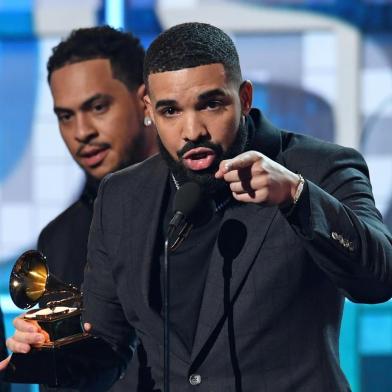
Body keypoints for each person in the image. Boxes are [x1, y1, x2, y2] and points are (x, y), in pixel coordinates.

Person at [5, 22, 392, 391]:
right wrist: (45, 354)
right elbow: (108, 350)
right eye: (170, 111)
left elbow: (378, 279)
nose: (192, 131)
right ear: (148, 107)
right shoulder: (121, 196)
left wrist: (297, 197)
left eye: (210, 105)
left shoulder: (318, 167)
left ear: (244, 97)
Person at [2, 26, 157, 391]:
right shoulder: (57, 237)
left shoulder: (198, 205)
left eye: (97, 107)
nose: (81, 130)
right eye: (65, 116)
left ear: (145, 101)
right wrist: (39, 354)